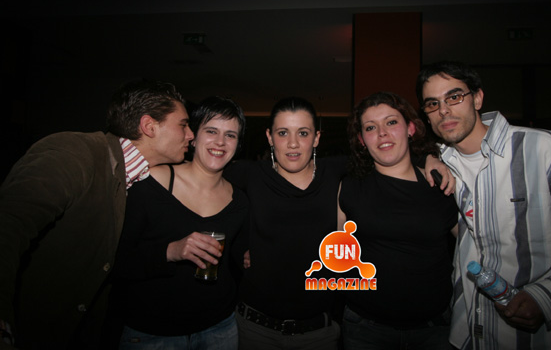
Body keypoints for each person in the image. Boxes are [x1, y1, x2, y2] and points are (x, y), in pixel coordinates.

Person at [226, 97, 455, 350]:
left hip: (319, 330)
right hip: (256, 327)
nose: (293, 143)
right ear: (270, 137)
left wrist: (430, 157)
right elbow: (212, 194)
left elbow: (387, 151)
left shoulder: (337, 173)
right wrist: (240, 248)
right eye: (282, 133)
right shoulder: (249, 174)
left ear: (316, 138)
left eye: (303, 133)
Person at [416, 61, 551, 349]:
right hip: (468, 334)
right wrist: (427, 155)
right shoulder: (440, 163)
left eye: (454, 97)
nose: (444, 110)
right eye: (432, 103)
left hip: (545, 337)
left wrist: (548, 297)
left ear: (477, 98)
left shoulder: (543, 149)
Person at [0, 79, 193, 349]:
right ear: (149, 126)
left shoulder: (137, 179)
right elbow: (8, 225)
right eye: (183, 125)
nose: (191, 135)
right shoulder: (75, 152)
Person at [113, 96, 248, 349]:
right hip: (153, 333)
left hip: (220, 327)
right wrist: (171, 251)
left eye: (230, 135)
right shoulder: (152, 182)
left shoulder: (239, 200)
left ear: (238, 144)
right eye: (211, 131)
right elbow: (116, 261)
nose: (220, 142)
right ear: (193, 137)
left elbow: (239, 257)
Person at [337, 92, 458, 350]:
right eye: (370, 127)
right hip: (365, 329)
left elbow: (477, 244)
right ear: (361, 140)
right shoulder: (349, 188)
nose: (382, 133)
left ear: (411, 129)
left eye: (391, 122)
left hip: (434, 329)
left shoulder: (441, 184)